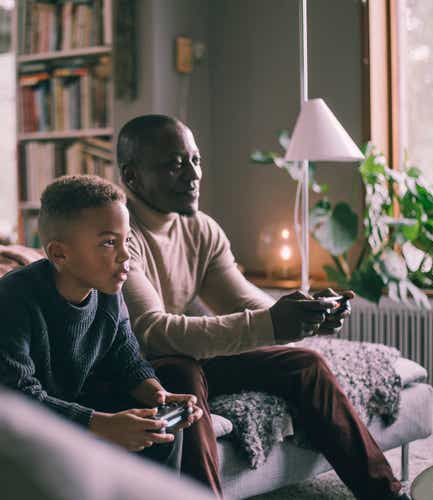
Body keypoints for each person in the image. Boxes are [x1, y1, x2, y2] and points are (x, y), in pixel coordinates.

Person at [117, 114, 410, 500]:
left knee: (305, 364)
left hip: (183, 354)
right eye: (174, 164)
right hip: (140, 366)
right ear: (132, 177)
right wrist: (272, 323)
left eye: (195, 159)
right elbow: (154, 333)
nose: (193, 174)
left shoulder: (200, 228)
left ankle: (387, 495)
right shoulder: (118, 234)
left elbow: (242, 300)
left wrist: (303, 315)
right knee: (181, 376)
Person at [0, 175, 203, 469]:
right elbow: (14, 394)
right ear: (59, 253)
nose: (126, 255)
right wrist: (102, 425)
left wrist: (158, 394)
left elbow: (127, 362)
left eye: (127, 240)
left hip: (51, 403)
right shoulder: (15, 295)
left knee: (157, 428)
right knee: (77, 448)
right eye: (109, 243)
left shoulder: (109, 293)